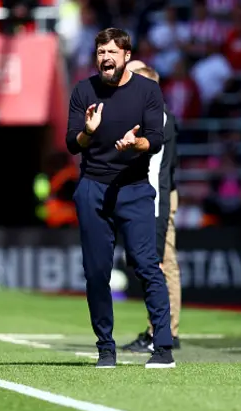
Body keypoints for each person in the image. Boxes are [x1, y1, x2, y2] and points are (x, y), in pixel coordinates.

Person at [66, 28, 175, 369]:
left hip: (134, 188)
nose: (106, 58)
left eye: (112, 52)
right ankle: (106, 349)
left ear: (126, 55)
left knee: (147, 266)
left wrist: (135, 144)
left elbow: (155, 140)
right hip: (93, 188)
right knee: (97, 272)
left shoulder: (147, 90)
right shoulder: (84, 91)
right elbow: (72, 143)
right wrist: (89, 132)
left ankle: (163, 348)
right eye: (101, 53)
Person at [121, 63, 182, 353]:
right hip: (157, 195)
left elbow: (158, 174)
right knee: (160, 263)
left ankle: (163, 331)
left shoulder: (158, 120)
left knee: (160, 263)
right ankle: (160, 329)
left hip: (158, 197)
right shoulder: (155, 117)